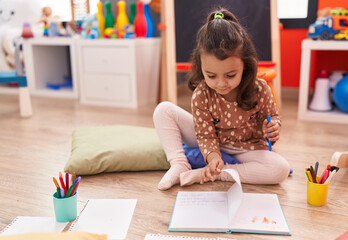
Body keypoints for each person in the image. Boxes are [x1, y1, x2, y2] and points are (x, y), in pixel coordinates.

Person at [153, 8, 290, 191]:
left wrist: (273, 127)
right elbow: (205, 134)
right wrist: (212, 156)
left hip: (247, 149)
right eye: (211, 75)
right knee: (163, 110)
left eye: (231, 75)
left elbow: (272, 117)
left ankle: (221, 173)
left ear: (245, 65)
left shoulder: (260, 88)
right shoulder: (202, 94)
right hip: (211, 141)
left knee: (280, 169)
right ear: (201, 67)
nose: (221, 84)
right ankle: (180, 164)